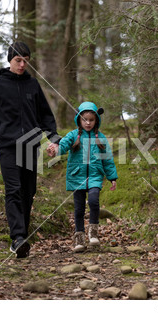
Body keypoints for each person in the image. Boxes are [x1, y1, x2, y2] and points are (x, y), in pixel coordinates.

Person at [0, 42, 60, 258]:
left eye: (26, 60)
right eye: (18, 60)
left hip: (31, 146)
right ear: (10, 60)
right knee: (13, 190)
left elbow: (45, 115)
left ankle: (21, 239)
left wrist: (54, 140)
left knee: (28, 192)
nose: (22, 64)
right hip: (8, 147)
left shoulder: (32, 85)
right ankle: (18, 237)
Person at [48, 102, 118, 252]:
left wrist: (112, 177)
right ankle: (79, 238)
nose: (88, 123)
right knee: (79, 209)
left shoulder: (101, 138)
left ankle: (93, 232)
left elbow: (108, 159)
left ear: (96, 120)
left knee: (93, 200)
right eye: (84, 119)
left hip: (95, 175)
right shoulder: (73, 135)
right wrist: (56, 149)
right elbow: (64, 144)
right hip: (77, 176)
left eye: (91, 120)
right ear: (79, 119)